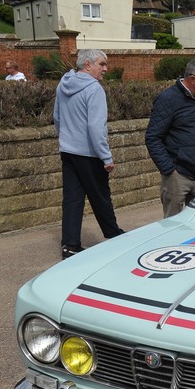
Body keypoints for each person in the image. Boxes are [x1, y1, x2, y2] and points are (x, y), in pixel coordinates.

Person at [53, 49, 124, 259]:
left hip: (68, 151)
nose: (105, 69)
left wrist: (65, 139)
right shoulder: (94, 89)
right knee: (101, 196)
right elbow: (96, 126)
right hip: (89, 153)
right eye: (102, 64)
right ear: (87, 65)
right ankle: (114, 236)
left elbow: (56, 117)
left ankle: (70, 245)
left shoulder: (63, 84)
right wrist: (106, 156)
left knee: (72, 200)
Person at [145, 56, 195, 218]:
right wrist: (169, 169)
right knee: (174, 227)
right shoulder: (168, 99)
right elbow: (153, 137)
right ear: (192, 79)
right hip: (178, 176)